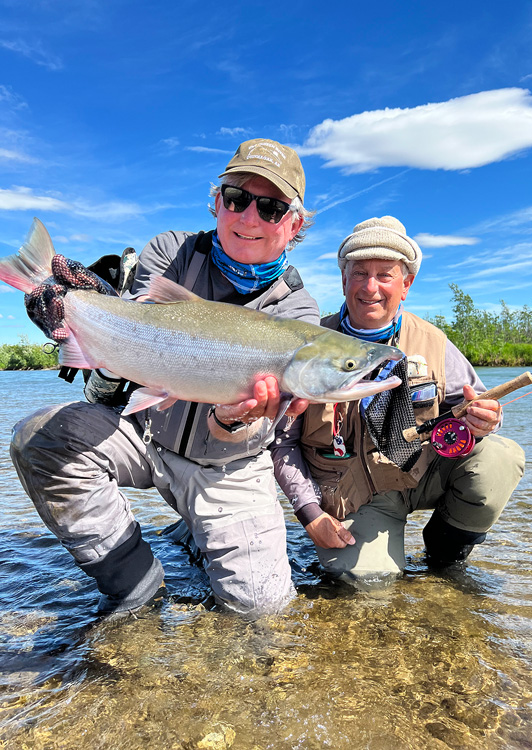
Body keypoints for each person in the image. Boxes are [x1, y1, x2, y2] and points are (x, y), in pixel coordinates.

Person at [10, 138, 319, 618]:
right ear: (216, 202)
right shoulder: (172, 251)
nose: (248, 218)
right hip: (146, 434)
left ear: (294, 223)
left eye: (271, 207)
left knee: (262, 617)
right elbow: (125, 344)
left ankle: (194, 531)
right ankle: (135, 582)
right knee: (39, 439)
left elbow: (261, 430)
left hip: (229, 467)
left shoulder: (298, 313)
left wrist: (232, 420)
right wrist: (74, 316)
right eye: (236, 198)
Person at [271, 216, 525, 583]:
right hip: (351, 493)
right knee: (368, 586)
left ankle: (444, 557)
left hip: (420, 475)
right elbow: (282, 442)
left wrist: (486, 419)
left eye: (385, 275)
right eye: (359, 273)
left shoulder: (435, 342)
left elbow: (477, 404)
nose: (370, 287)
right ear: (343, 280)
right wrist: (310, 514)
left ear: (406, 284)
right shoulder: (309, 343)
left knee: (500, 458)